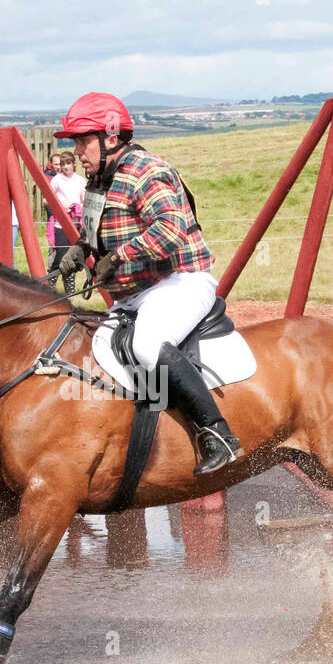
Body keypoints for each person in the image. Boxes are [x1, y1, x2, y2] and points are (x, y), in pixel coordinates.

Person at [54, 91, 242, 474]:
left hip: (179, 282)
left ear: (110, 138)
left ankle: (217, 432)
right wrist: (80, 249)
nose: (78, 151)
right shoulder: (97, 179)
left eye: (83, 141)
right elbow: (96, 233)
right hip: (133, 295)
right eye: (74, 142)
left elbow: (170, 231)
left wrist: (119, 257)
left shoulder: (147, 170)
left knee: (147, 344)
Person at [49, 151, 86, 289]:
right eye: (63, 164)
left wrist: (78, 207)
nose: (65, 167)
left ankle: (69, 288)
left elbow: (85, 199)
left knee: (73, 256)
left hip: (76, 223)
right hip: (61, 224)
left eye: (68, 163)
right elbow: (47, 200)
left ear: (73, 164)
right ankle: (50, 284)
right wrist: (60, 206)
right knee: (60, 255)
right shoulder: (56, 180)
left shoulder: (80, 180)